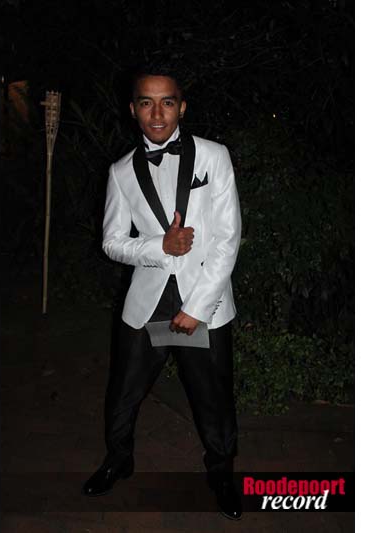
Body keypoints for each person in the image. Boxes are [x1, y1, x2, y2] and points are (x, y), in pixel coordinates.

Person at [81, 61, 243, 520]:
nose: (157, 113)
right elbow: (112, 242)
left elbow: (228, 236)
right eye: (147, 103)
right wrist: (159, 247)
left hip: (203, 300)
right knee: (125, 391)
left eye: (167, 102)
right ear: (132, 109)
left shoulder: (213, 157)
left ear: (181, 107)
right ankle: (119, 459)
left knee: (212, 396)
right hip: (148, 300)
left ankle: (221, 473)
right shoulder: (120, 172)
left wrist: (198, 307)